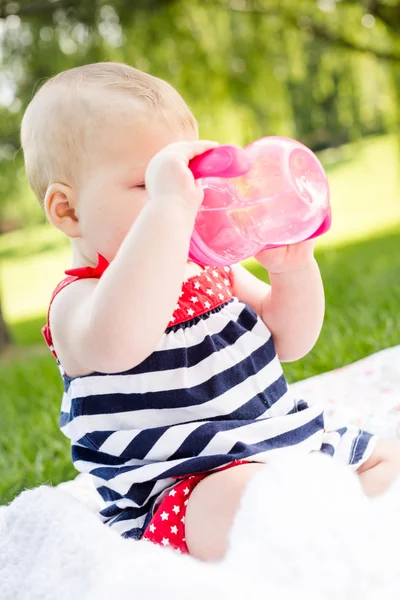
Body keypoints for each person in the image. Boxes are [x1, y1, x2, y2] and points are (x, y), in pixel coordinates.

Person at [20, 62, 400, 562]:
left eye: (190, 181)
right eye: (152, 185)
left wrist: (292, 271)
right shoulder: (79, 303)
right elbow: (122, 342)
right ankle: (317, 528)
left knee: (385, 458)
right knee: (245, 500)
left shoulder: (204, 266)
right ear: (68, 211)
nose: (188, 200)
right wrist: (169, 209)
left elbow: (291, 340)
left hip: (281, 443)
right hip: (185, 488)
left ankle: (340, 517)